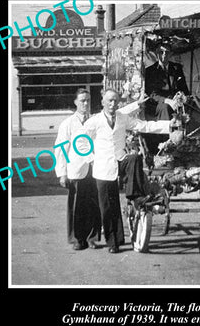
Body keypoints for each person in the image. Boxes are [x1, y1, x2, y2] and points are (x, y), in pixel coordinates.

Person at [80, 89, 173, 253]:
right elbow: (80, 142)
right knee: (108, 207)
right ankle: (113, 243)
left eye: (115, 101)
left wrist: (169, 125)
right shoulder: (95, 121)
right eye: (109, 101)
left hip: (120, 161)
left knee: (134, 158)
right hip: (102, 168)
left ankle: (134, 195)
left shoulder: (122, 117)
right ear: (102, 102)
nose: (112, 104)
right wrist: (91, 159)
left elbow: (144, 125)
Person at [54, 88, 101, 251]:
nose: (86, 103)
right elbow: (61, 149)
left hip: (94, 169)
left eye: (88, 100)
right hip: (76, 169)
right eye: (82, 100)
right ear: (75, 102)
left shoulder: (96, 120)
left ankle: (92, 238)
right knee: (76, 205)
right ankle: (77, 238)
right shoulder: (68, 124)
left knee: (94, 204)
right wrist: (62, 173)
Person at [144, 40, 190, 121]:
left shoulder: (176, 68)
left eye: (167, 52)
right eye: (161, 52)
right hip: (158, 104)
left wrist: (183, 96)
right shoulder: (150, 71)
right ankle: (167, 133)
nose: (164, 55)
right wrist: (167, 101)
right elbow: (151, 94)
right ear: (156, 53)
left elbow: (183, 88)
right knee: (166, 107)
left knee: (191, 106)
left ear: (171, 54)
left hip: (176, 101)